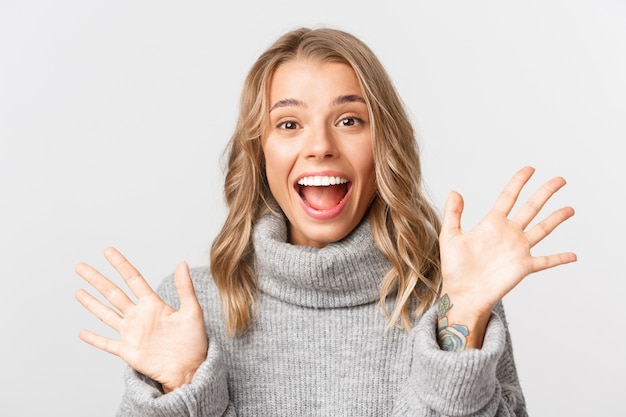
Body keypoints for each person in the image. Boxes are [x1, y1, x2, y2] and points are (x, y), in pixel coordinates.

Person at [75, 27, 576, 416]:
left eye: (349, 120)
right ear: (260, 152)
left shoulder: (448, 299)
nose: (319, 145)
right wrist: (184, 385)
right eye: (289, 124)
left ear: (384, 148)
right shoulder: (194, 309)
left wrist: (463, 320)